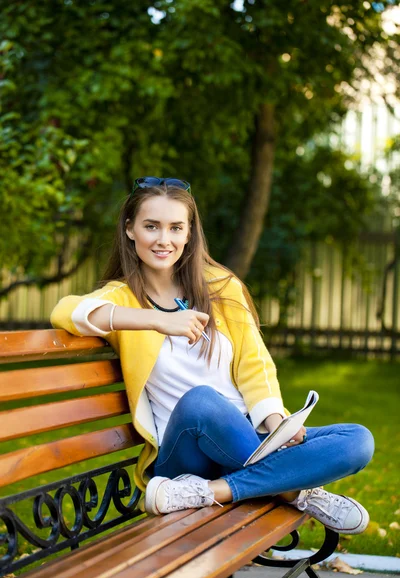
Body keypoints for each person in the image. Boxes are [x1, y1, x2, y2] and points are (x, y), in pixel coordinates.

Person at [51, 177, 374, 534]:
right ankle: (295, 490)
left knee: (358, 440)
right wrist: (157, 320)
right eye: (151, 227)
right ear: (130, 230)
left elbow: (255, 366)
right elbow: (67, 312)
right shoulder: (122, 299)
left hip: (240, 441)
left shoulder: (221, 286)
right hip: (185, 455)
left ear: (189, 233)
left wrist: (274, 422)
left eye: (176, 228)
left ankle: (213, 492)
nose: (164, 240)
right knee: (202, 402)